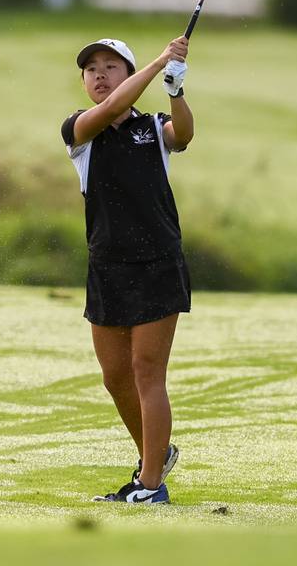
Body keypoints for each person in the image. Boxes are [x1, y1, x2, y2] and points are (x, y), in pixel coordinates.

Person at [60, 37, 194, 504]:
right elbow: (117, 104)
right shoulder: (79, 129)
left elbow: (185, 135)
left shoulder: (153, 128)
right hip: (107, 266)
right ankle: (157, 453)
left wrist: (175, 91)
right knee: (115, 375)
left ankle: (151, 485)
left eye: (111, 66)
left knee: (145, 370)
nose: (99, 74)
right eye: (91, 68)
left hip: (158, 262)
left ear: (128, 71)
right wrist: (162, 62)